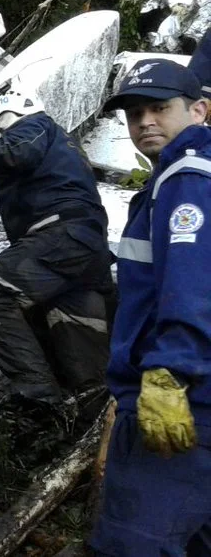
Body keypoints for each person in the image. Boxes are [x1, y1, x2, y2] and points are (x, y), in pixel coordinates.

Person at [90, 58, 211, 555]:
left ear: (200, 110)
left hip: (182, 406)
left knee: (133, 543)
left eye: (159, 108)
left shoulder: (187, 176)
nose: (145, 123)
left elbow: (191, 281)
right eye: (134, 114)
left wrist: (169, 371)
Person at [0, 85, 114, 407]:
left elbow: (18, 151)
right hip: (84, 249)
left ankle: (35, 390)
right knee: (73, 326)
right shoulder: (63, 144)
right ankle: (86, 412)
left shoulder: (34, 126)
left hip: (60, 238)